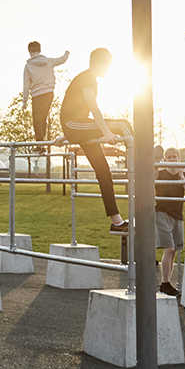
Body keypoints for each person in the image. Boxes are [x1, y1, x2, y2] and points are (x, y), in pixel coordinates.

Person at [59, 48, 131, 234]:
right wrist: (106, 132)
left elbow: (78, 107)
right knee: (122, 125)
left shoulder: (88, 78)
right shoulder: (88, 78)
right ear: (100, 63)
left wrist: (68, 135)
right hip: (75, 125)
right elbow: (93, 107)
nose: (109, 69)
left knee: (103, 171)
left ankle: (116, 221)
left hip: (78, 127)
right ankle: (143, 168)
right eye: (108, 65)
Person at [154, 145, 185, 296]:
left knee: (174, 250)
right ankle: (164, 282)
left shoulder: (184, 175)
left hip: (178, 215)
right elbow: (148, 184)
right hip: (161, 213)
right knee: (169, 248)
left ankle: (167, 283)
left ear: (178, 158)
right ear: (164, 159)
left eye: (174, 156)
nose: (172, 159)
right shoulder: (159, 173)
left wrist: (182, 178)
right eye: (169, 157)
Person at [22, 40, 69, 141]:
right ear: (40, 50)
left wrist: (24, 101)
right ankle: (43, 141)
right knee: (43, 118)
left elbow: (26, 85)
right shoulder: (48, 61)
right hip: (48, 93)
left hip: (36, 95)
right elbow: (62, 60)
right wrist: (67, 52)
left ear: (29, 51)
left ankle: (40, 143)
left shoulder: (28, 66)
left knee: (37, 120)